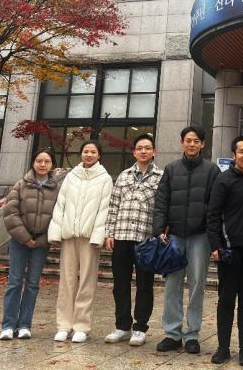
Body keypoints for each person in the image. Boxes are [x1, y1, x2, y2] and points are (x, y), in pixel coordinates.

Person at [152, 125, 220, 354]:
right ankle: (172, 333)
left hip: (200, 236)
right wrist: (159, 230)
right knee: (172, 283)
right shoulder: (171, 169)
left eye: (196, 141)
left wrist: (213, 236)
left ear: (203, 144)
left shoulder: (212, 170)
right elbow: (161, 201)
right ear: (182, 142)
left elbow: (216, 205)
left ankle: (192, 334)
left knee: (197, 284)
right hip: (174, 236)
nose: (192, 144)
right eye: (188, 140)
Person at [47, 140, 113, 343]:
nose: (89, 155)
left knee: (86, 282)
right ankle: (63, 325)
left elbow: (104, 209)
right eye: (86, 151)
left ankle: (81, 326)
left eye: (93, 152)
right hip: (69, 236)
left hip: (89, 238)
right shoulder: (71, 176)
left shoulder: (105, 178)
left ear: (99, 155)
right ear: (81, 154)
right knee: (66, 282)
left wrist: (98, 236)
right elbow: (61, 204)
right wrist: (55, 233)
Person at [207, 135, 243, 366]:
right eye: (242, 151)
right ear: (234, 155)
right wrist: (215, 246)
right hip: (229, 251)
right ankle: (223, 347)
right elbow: (213, 215)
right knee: (226, 300)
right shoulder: (224, 180)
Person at [103, 133, 163, 347]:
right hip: (122, 236)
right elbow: (113, 205)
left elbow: (162, 208)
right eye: (139, 148)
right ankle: (122, 326)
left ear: (154, 151)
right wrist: (110, 232)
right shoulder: (124, 175)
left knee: (145, 284)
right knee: (120, 284)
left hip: (146, 239)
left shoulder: (161, 177)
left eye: (147, 148)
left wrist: (160, 233)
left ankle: (140, 328)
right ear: (134, 152)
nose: (143, 151)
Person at [0, 148, 62, 340]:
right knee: (15, 282)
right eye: (39, 161)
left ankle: (25, 325)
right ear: (33, 163)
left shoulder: (57, 189)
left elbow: (59, 217)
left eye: (47, 161)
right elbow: (10, 213)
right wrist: (25, 238)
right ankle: (8, 325)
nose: (42, 165)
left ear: (52, 165)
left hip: (41, 243)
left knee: (33, 284)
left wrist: (42, 239)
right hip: (20, 241)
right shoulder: (20, 185)